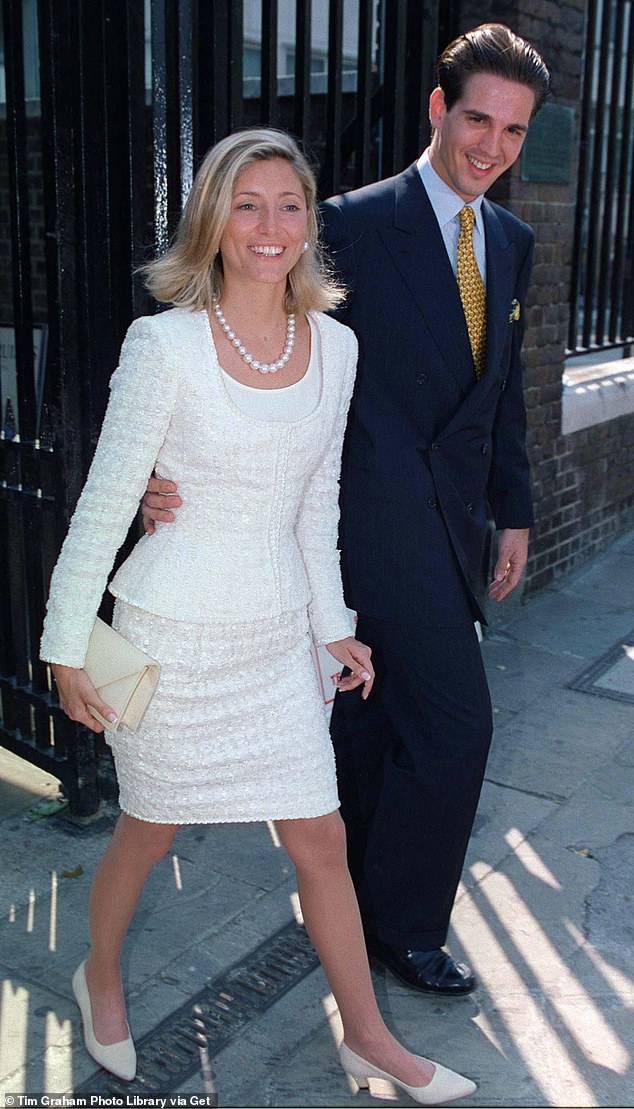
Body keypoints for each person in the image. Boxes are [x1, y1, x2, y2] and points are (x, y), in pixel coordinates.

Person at [40, 129, 476, 1104]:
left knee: (318, 835)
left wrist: (333, 624)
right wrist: (67, 643)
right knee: (147, 830)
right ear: (214, 222)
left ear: (308, 224)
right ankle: (99, 971)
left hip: (278, 638)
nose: (269, 225)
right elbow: (109, 501)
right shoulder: (163, 344)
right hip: (166, 636)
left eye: (287, 204)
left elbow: (315, 504)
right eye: (247, 204)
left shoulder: (339, 346)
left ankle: (368, 1034)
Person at [142, 25, 551, 998]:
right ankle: (405, 927)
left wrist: (516, 507)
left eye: (514, 129)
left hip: (450, 524)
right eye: (477, 119)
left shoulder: (513, 240)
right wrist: (168, 465)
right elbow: (236, 337)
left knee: (368, 725)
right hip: (357, 521)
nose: (491, 145)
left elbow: (500, 394)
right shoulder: (349, 224)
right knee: (457, 730)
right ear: (437, 110)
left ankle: (363, 907)